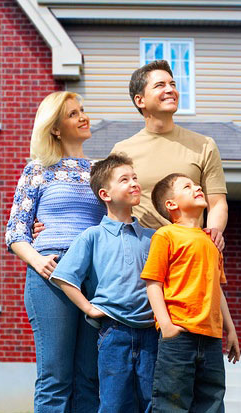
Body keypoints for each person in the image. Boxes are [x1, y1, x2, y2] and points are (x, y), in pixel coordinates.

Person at [5, 91, 106, 413]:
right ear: (56, 128)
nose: (83, 117)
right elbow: (16, 230)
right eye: (73, 114)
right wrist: (37, 260)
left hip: (94, 277)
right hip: (51, 273)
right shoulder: (38, 170)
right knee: (55, 377)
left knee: (90, 378)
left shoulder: (100, 171)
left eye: (82, 110)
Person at [51, 153, 158, 413]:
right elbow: (64, 277)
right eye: (124, 179)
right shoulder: (93, 236)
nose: (134, 183)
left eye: (135, 178)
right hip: (114, 333)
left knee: (151, 403)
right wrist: (88, 308)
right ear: (105, 194)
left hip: (152, 334)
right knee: (113, 403)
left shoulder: (153, 238)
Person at [141, 173, 240, 413]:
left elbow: (217, 287)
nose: (197, 188)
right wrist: (166, 325)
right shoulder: (166, 235)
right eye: (187, 186)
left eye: (197, 185)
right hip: (179, 336)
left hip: (212, 338)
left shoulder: (212, 241)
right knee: (171, 404)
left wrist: (231, 329)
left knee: (212, 403)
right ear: (171, 205)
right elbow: (153, 282)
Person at [112, 60, 228, 250]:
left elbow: (216, 204)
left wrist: (213, 232)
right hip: (139, 254)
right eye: (160, 85)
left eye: (172, 84)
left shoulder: (204, 145)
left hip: (188, 252)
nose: (170, 90)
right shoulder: (121, 151)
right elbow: (115, 209)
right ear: (140, 100)